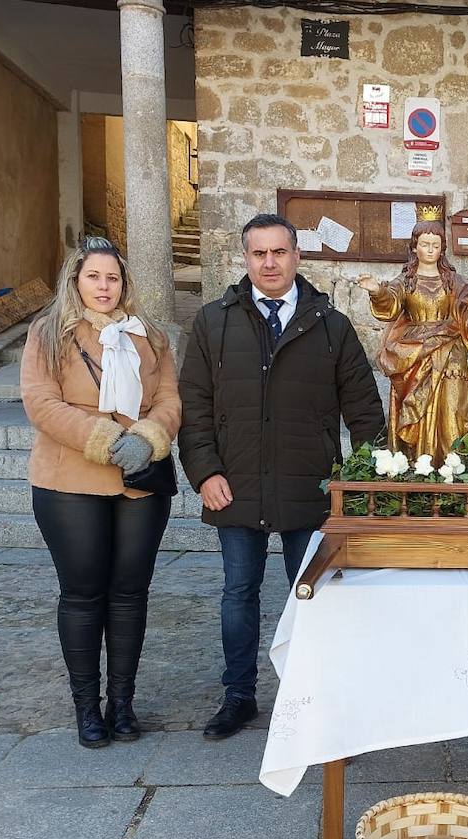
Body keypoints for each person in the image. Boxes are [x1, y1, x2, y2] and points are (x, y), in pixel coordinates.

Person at [178, 214, 384, 741]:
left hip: (308, 484)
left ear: (296, 256)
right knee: (239, 592)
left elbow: (364, 411)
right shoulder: (213, 323)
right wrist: (204, 471)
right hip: (236, 482)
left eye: (279, 252)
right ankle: (239, 695)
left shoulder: (330, 327)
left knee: (313, 593)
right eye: (258, 254)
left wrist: (362, 484)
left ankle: (312, 696)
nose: (269, 263)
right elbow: (194, 407)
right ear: (244, 259)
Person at [20, 237, 181, 749]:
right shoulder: (48, 335)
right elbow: (42, 403)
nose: (105, 287)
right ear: (76, 281)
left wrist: (151, 436)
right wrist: (110, 440)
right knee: (85, 595)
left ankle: (123, 703)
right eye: (94, 277)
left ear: (124, 283)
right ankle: (87, 707)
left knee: (130, 596)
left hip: (139, 485)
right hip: (71, 480)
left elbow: (170, 398)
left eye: (113, 278)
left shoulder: (148, 337)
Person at [359, 220, 468, 460]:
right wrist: (376, 291)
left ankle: (453, 465)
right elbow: (390, 305)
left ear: (443, 248)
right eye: (425, 244)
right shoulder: (406, 281)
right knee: (416, 414)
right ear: (414, 247)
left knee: (454, 411)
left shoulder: (454, 281)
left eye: (436, 245)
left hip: (452, 355)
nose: (430, 250)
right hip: (414, 355)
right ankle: (415, 464)